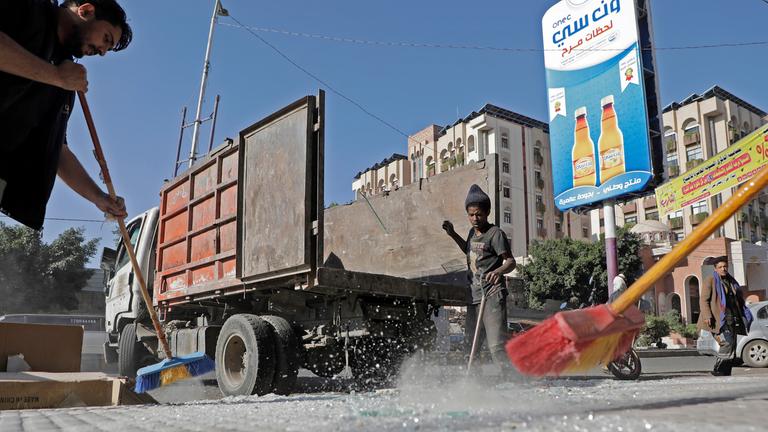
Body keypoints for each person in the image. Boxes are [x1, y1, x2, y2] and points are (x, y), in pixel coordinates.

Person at [0, 0, 132, 230]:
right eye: (106, 39)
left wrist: (99, 198)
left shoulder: (65, 80)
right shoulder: (28, 9)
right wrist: (55, 76)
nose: (101, 51)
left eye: (106, 50)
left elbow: (57, 149)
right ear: (87, 10)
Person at [442, 184, 517, 373]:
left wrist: (498, 271)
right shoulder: (471, 234)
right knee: (470, 347)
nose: (475, 219)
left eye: (479, 215)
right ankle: (475, 385)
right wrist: (452, 235)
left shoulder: (495, 234)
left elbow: (511, 262)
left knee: (496, 346)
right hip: (475, 295)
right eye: (471, 215)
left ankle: (512, 381)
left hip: (492, 294)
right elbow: (468, 250)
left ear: (487, 212)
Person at [697, 256, 754, 376]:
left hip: (732, 317)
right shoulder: (710, 280)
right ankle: (719, 369)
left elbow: (737, 298)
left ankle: (725, 371)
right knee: (726, 343)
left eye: (725, 266)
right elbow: (704, 300)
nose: (723, 269)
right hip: (717, 319)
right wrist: (707, 315)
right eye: (720, 267)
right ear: (715, 268)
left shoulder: (731, 280)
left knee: (732, 344)